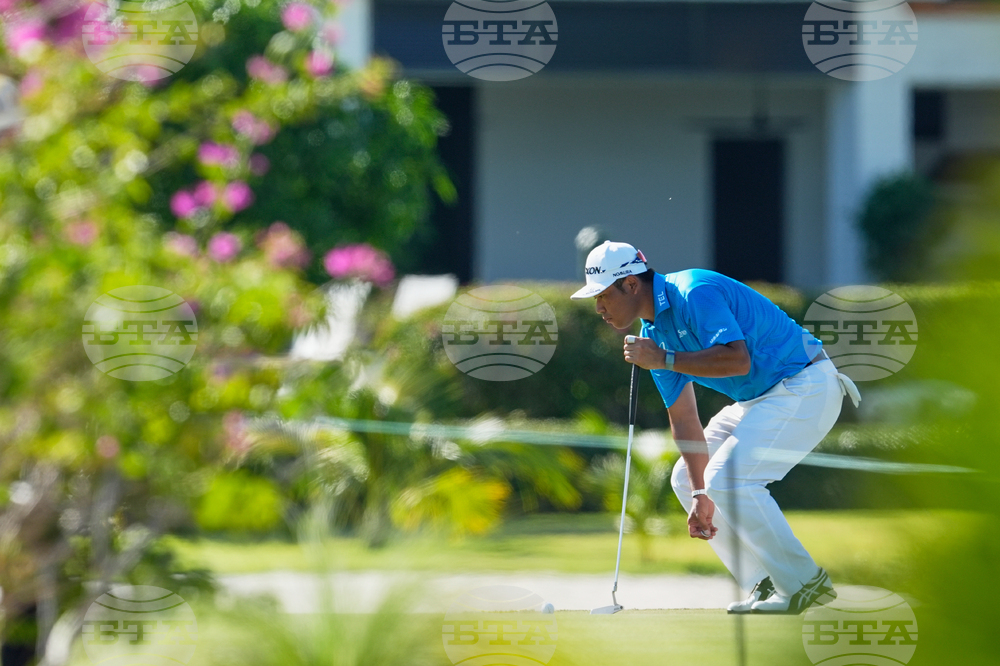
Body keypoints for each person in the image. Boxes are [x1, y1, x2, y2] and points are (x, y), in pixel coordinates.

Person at [571, 241, 861, 615]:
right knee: (687, 478)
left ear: (630, 285)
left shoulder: (693, 291)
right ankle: (764, 581)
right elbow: (684, 419)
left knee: (729, 477)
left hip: (806, 384)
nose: (598, 308)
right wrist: (699, 494)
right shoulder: (653, 336)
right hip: (764, 398)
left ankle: (805, 584)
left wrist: (664, 359)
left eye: (603, 295)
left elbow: (737, 361)